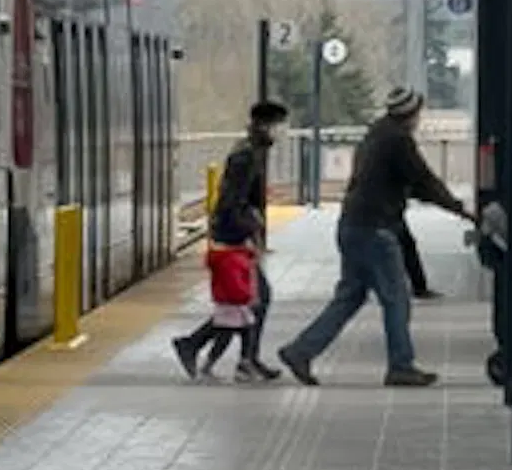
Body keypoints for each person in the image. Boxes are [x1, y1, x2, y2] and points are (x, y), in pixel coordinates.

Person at [275, 89, 466, 387]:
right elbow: (422, 180)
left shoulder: (376, 134)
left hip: (352, 225)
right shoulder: (398, 140)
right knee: (397, 298)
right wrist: (458, 208)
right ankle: (400, 365)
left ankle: (301, 351)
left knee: (350, 296)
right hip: (375, 230)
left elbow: (409, 183)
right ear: (411, 114)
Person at [175, 102, 283, 379]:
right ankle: (225, 354)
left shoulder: (252, 151)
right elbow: (232, 202)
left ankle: (237, 357)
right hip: (232, 238)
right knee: (253, 300)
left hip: (234, 235)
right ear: (264, 125)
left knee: (246, 302)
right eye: (278, 126)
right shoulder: (246, 156)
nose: (281, 132)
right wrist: (248, 233)